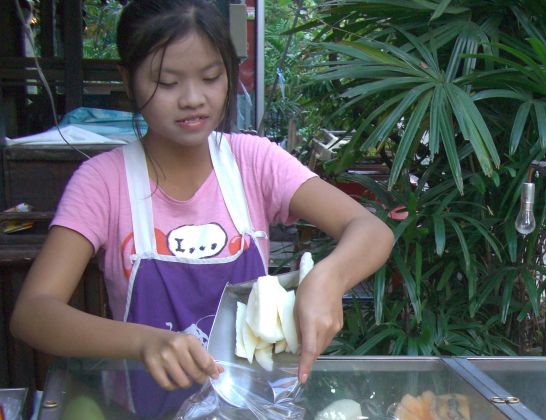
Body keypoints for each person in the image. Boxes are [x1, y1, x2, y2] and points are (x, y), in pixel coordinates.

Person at [10, 0, 394, 395]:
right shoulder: (103, 183)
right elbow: (34, 311)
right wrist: (143, 342)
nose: (192, 98)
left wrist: (327, 279)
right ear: (128, 80)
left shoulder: (254, 161)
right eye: (167, 82)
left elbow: (370, 230)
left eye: (210, 77)